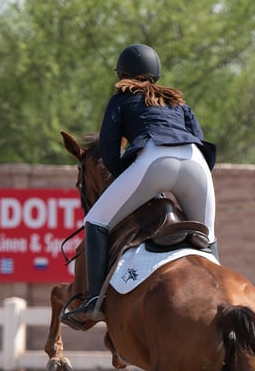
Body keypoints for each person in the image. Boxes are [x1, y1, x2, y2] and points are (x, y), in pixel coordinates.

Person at [74, 43, 217, 322]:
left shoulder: (121, 98)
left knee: (95, 221)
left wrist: (123, 179)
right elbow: (200, 139)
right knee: (208, 237)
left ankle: (92, 299)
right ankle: (216, 290)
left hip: (154, 160)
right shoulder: (178, 101)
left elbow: (109, 149)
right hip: (196, 163)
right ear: (156, 74)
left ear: (122, 73)